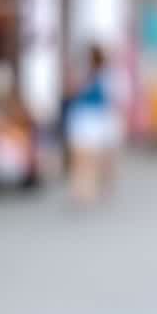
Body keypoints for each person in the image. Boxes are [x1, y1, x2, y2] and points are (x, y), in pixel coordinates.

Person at [65, 44, 121, 204]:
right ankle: (84, 190)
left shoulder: (97, 76)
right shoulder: (97, 76)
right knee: (86, 158)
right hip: (91, 119)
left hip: (87, 119)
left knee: (84, 158)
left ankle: (84, 190)